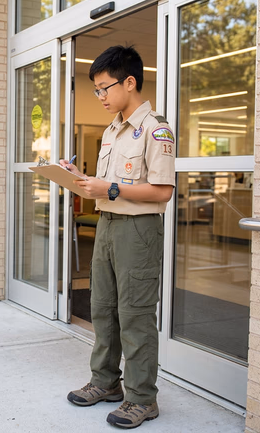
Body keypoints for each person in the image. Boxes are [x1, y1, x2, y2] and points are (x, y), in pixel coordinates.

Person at [59, 45, 175, 429]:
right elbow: (108, 187)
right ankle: (105, 383)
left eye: (104, 88)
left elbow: (162, 192)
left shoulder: (156, 130)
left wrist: (107, 188)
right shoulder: (111, 131)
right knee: (103, 309)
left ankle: (142, 398)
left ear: (130, 82)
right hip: (108, 225)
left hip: (138, 231)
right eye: (96, 90)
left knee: (135, 315)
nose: (101, 97)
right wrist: (77, 178)